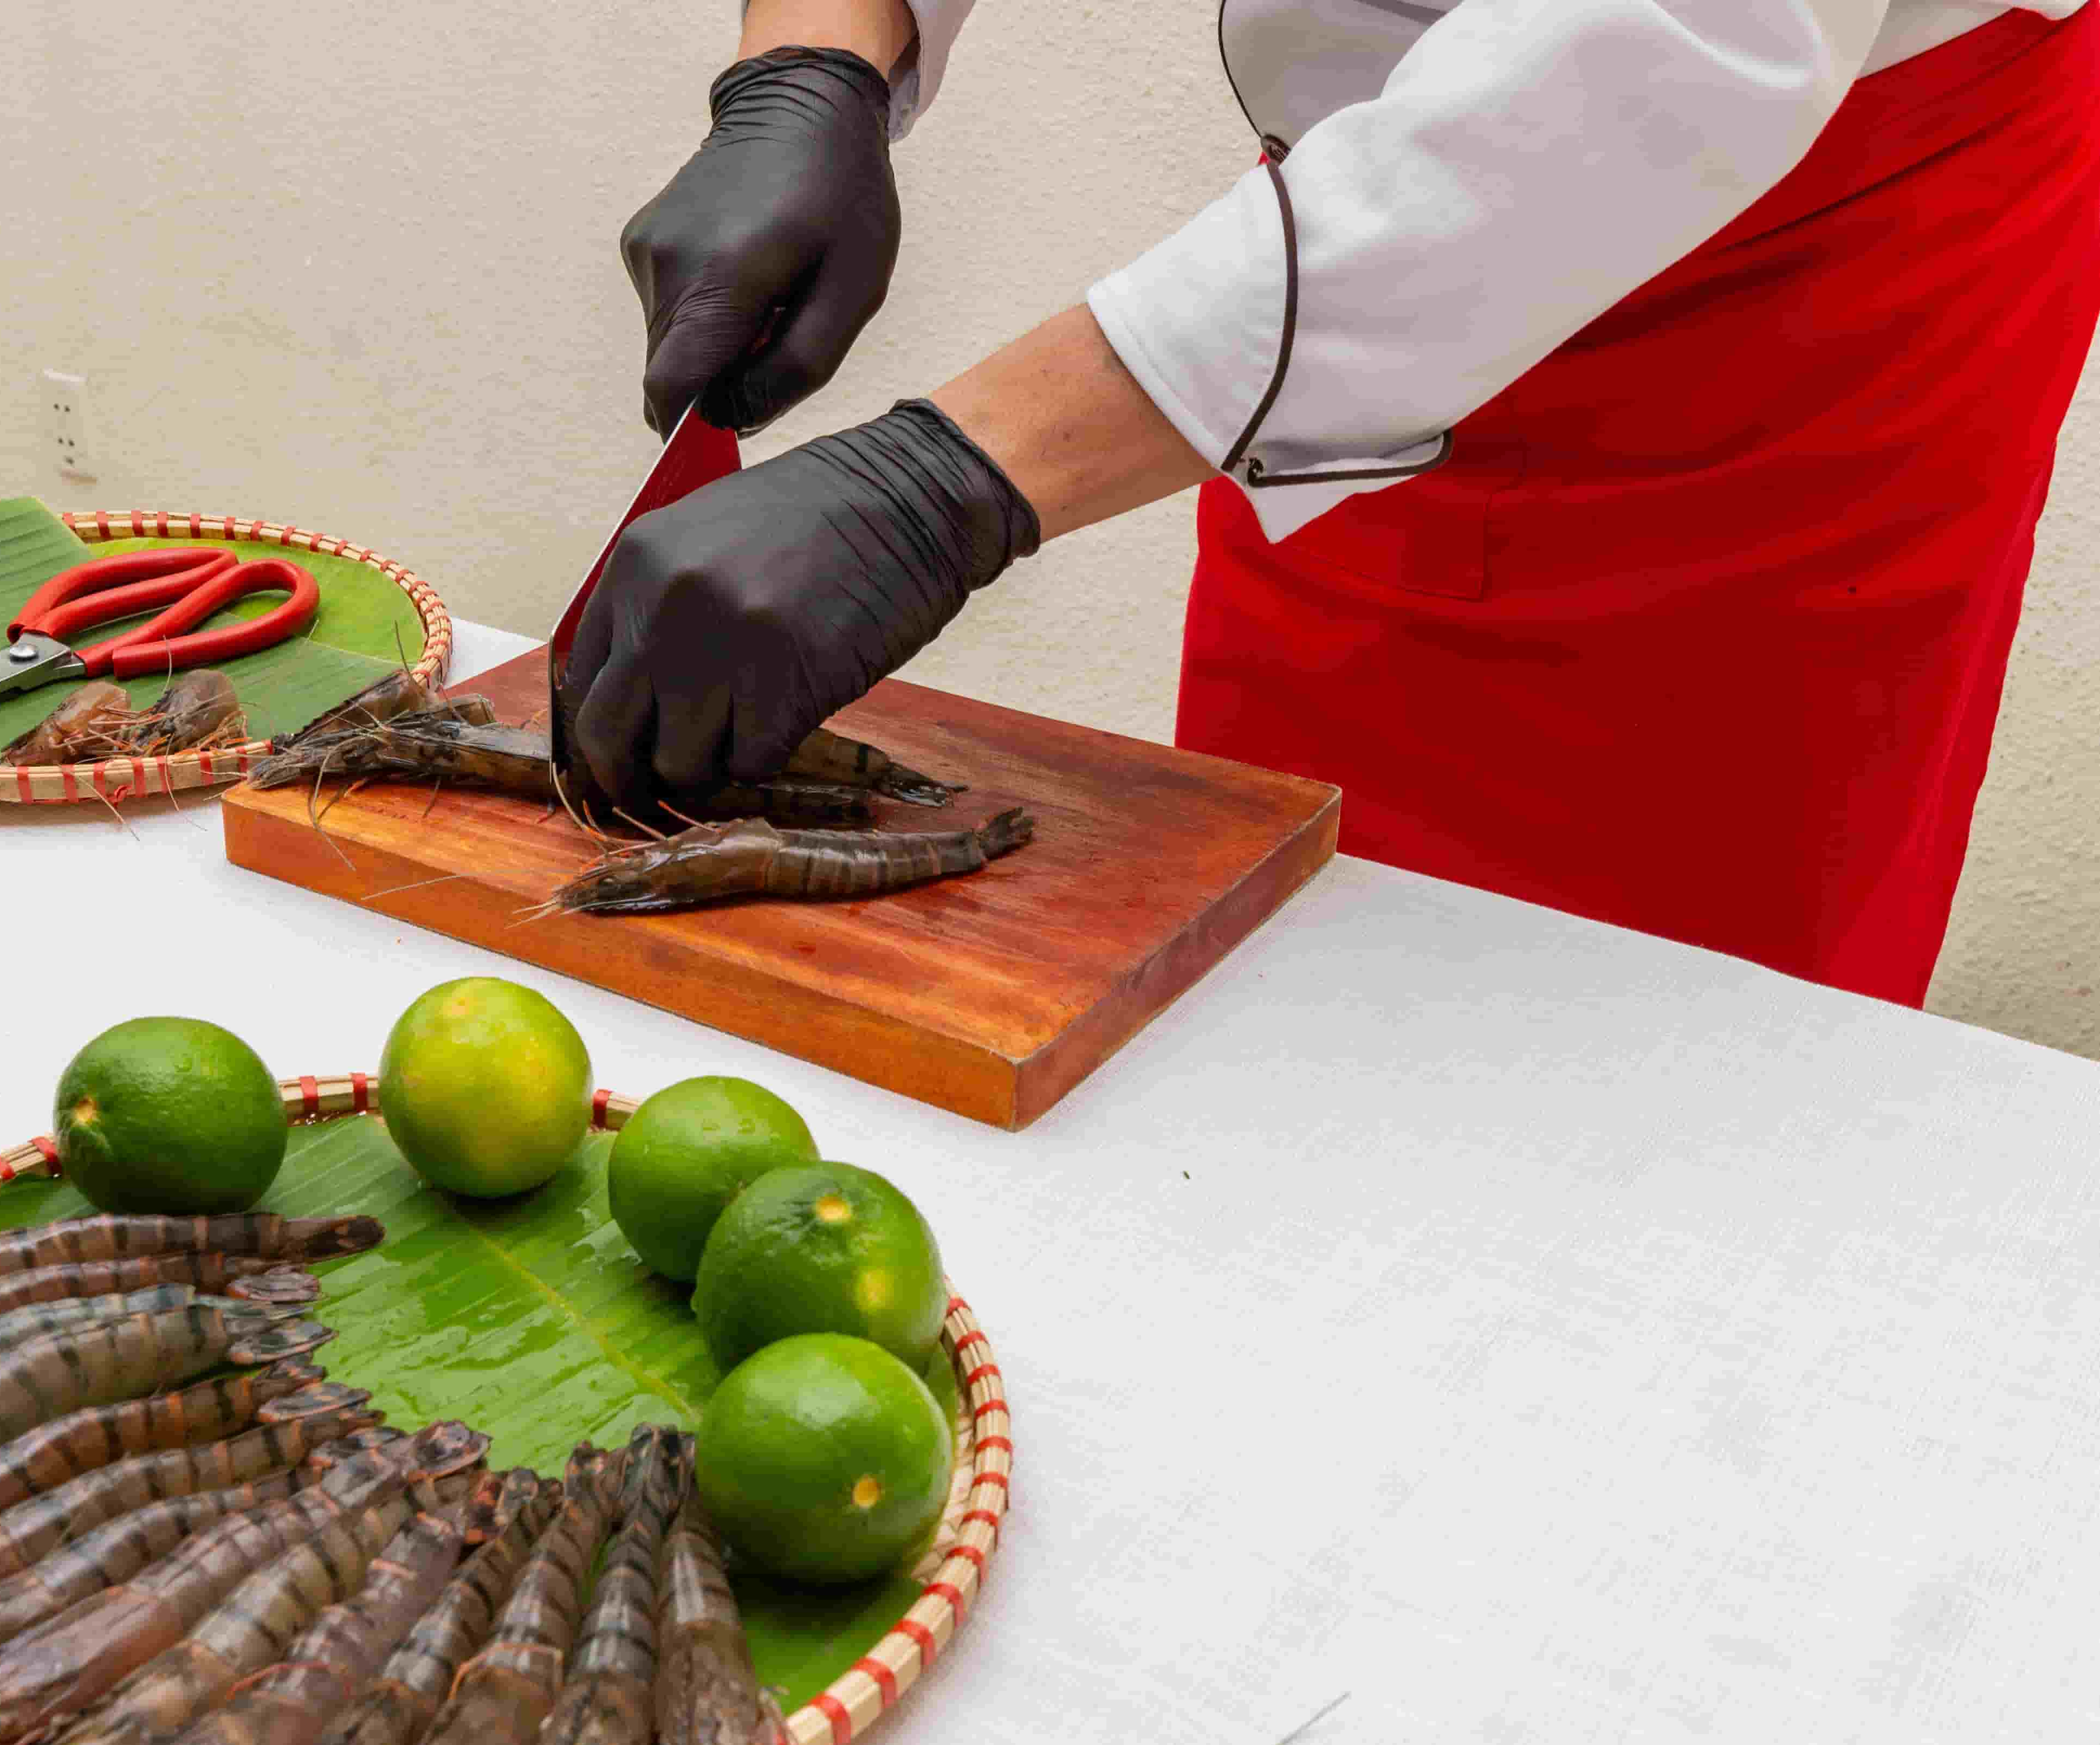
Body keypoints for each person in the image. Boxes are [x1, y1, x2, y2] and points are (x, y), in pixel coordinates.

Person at [562, 0, 2098, 1007]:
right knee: (1264, 937)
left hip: (1792, 277)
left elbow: (1677, 39)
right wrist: (821, 55)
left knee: (1656, 1036)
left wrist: (944, 479)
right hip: (1361, 189)